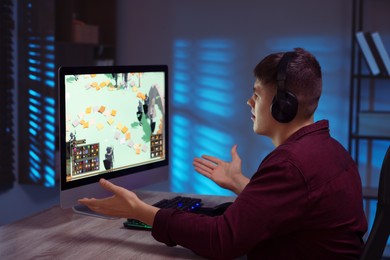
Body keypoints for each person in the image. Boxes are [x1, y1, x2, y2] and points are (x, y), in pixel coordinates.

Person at [79, 48, 367, 259]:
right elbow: (295, 210)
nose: (249, 101)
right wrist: (240, 183)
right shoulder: (330, 150)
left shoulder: (291, 164)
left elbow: (222, 241)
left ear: (283, 105)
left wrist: (140, 211)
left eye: (257, 94)